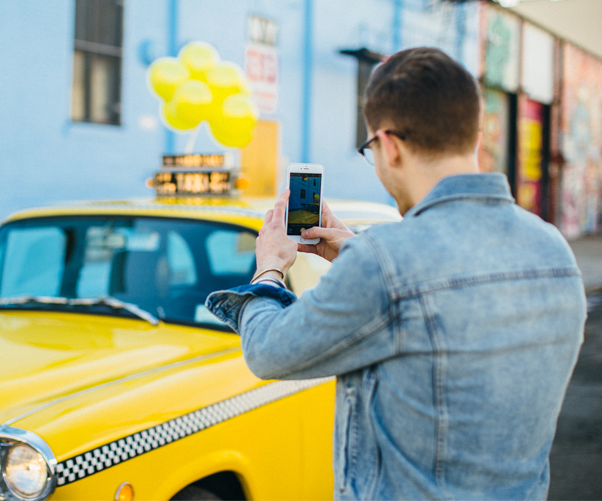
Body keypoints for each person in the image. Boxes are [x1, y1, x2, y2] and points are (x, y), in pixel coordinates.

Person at [206, 47, 586, 500]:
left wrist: (269, 267)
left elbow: (269, 352)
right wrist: (360, 253)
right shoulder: (554, 249)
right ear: (474, 133)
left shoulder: (386, 264)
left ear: (388, 145)